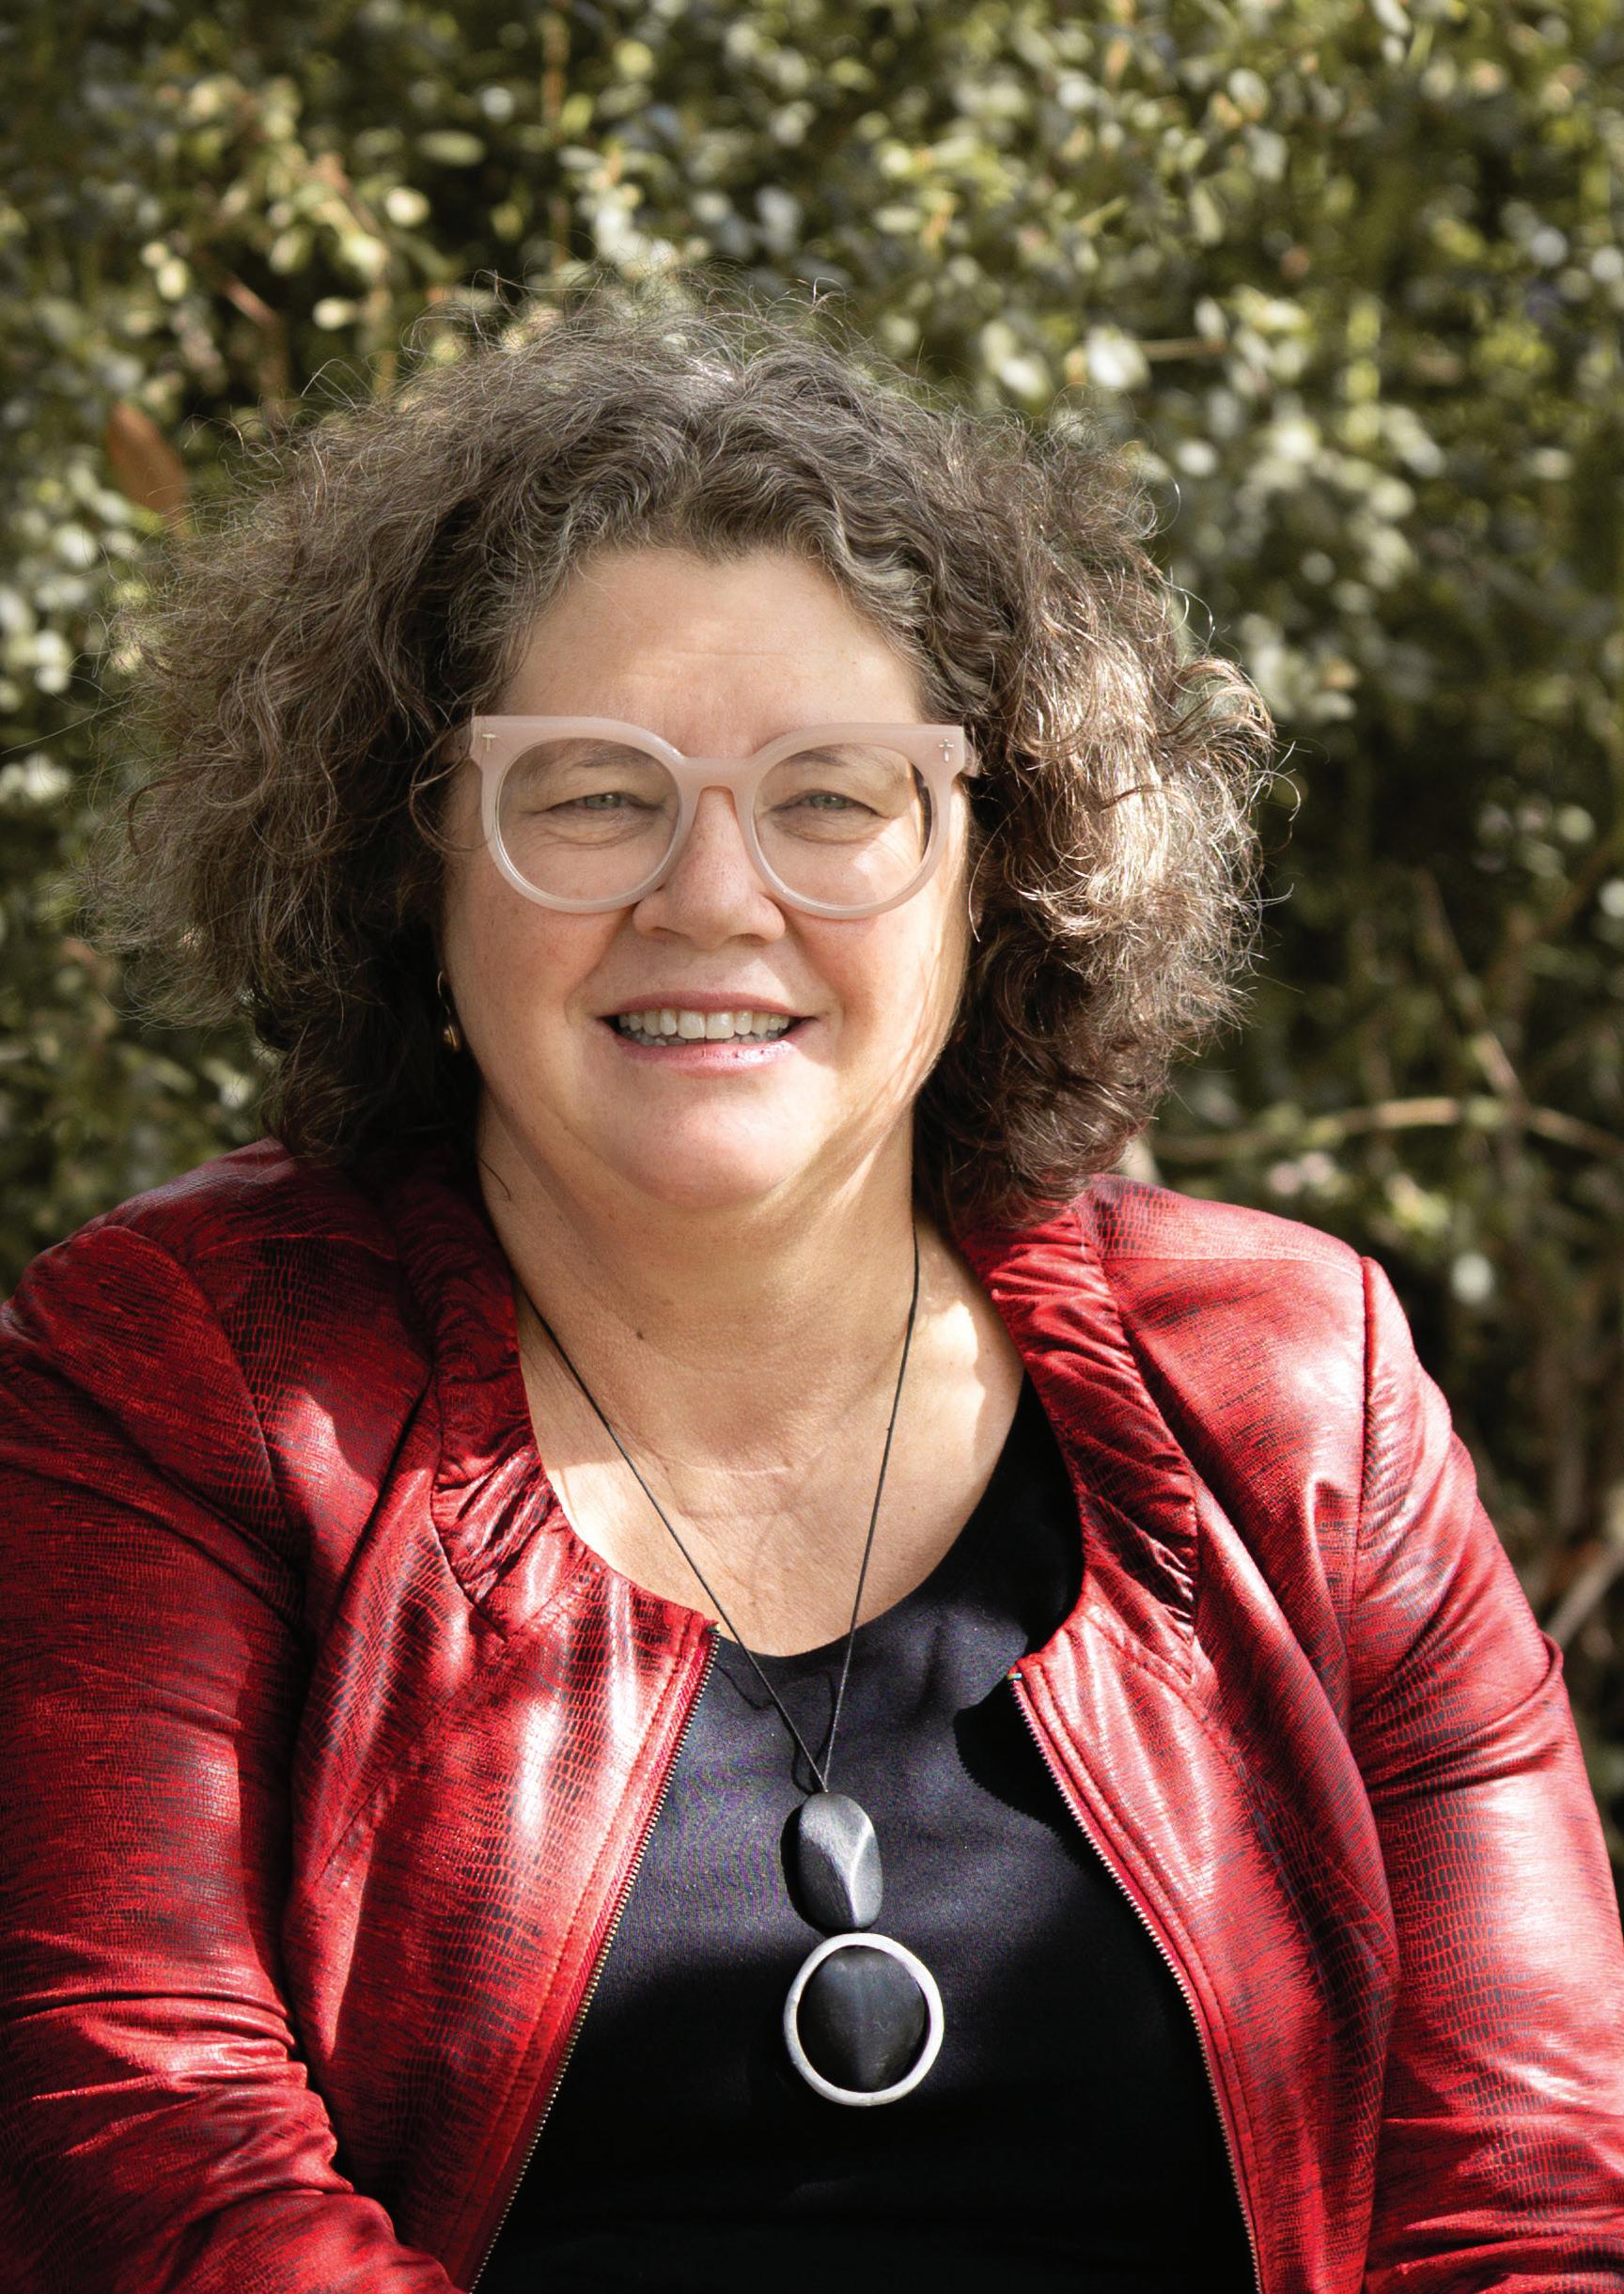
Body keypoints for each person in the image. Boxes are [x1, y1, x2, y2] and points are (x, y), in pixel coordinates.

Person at [1, 287, 1620, 2294]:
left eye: (833, 796)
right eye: (593, 792)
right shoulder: (177, 1373)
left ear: (993, 867)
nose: (712, 894)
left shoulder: (1301, 1393)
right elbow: (148, 2160)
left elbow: (1529, 2201)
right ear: (417, 862)